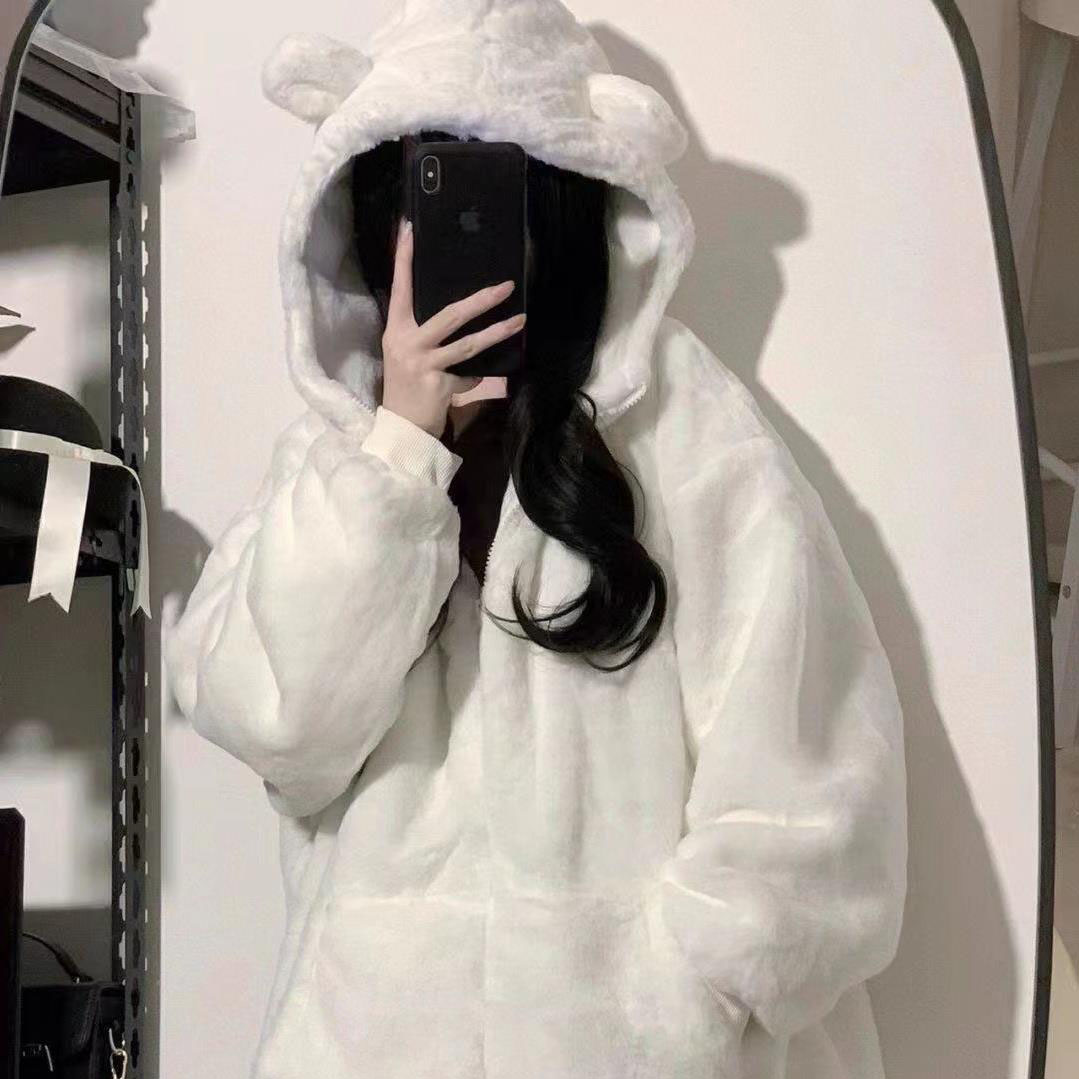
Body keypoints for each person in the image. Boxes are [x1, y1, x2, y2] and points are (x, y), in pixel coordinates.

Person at [165, 3, 908, 1078]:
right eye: (425, 190)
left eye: (497, 190)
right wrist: (400, 449)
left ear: (558, 204)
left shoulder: (678, 422)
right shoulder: (339, 454)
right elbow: (279, 727)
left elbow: (813, 779)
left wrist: (675, 1002)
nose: (457, 233)